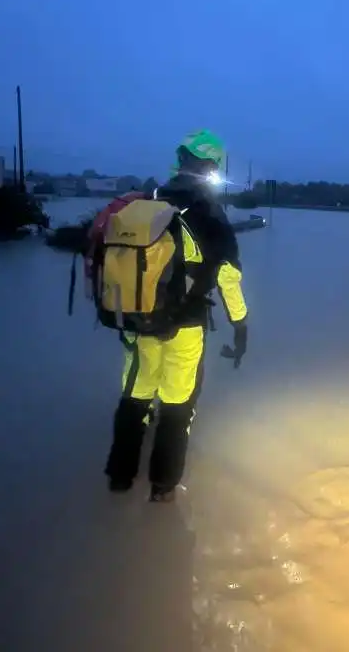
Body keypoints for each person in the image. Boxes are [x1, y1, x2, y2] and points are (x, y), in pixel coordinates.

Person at [96, 130, 248, 502]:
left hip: (136, 320)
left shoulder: (148, 201)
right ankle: (162, 487)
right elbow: (228, 278)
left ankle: (119, 477)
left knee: (135, 395)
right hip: (185, 326)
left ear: (180, 161)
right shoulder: (210, 215)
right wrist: (240, 327)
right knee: (178, 403)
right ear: (212, 168)